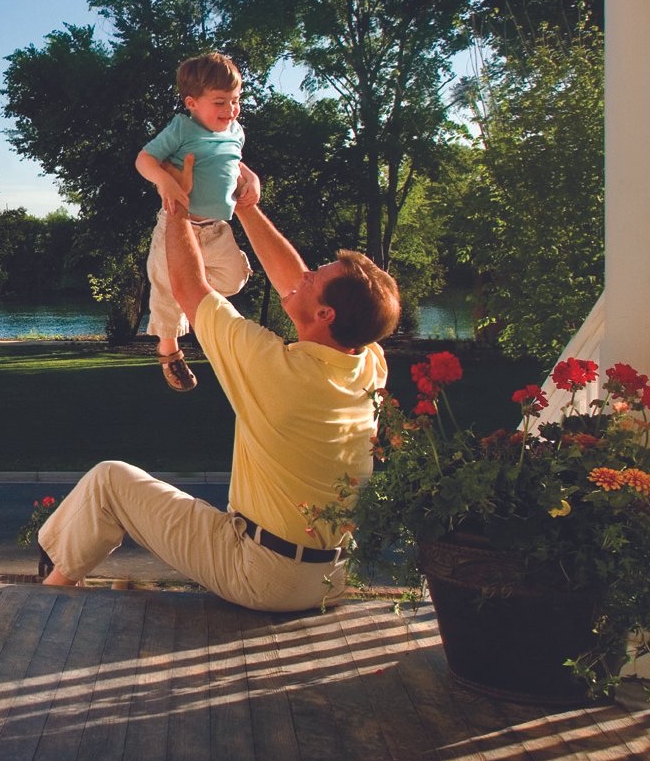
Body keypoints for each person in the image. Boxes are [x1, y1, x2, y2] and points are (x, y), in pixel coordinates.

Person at [39, 160, 398, 612]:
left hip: (264, 575)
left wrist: (177, 206)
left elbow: (191, 287)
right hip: (329, 577)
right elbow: (296, 288)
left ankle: (47, 597)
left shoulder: (275, 370)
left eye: (314, 278)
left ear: (326, 315)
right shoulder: (366, 363)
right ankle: (57, 580)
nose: (303, 275)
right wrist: (247, 206)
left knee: (110, 481)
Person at [135, 51, 252, 391]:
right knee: (166, 285)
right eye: (220, 102)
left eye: (235, 101)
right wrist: (165, 181)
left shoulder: (235, 132)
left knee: (234, 278)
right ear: (192, 102)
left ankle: (192, 298)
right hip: (177, 224)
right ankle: (169, 350)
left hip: (216, 229)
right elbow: (144, 159)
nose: (230, 110)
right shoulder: (181, 129)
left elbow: (237, 163)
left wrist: (252, 181)